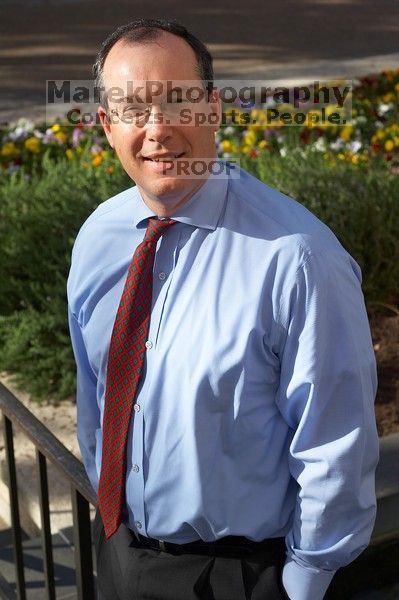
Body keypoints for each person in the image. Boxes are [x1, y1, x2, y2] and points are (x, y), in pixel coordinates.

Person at [67, 18, 379, 600]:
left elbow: (335, 446)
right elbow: (96, 396)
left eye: (178, 102)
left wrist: (303, 585)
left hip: (239, 577)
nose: (157, 130)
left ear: (213, 110)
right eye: (133, 109)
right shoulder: (99, 237)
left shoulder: (299, 259)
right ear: (107, 126)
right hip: (119, 555)